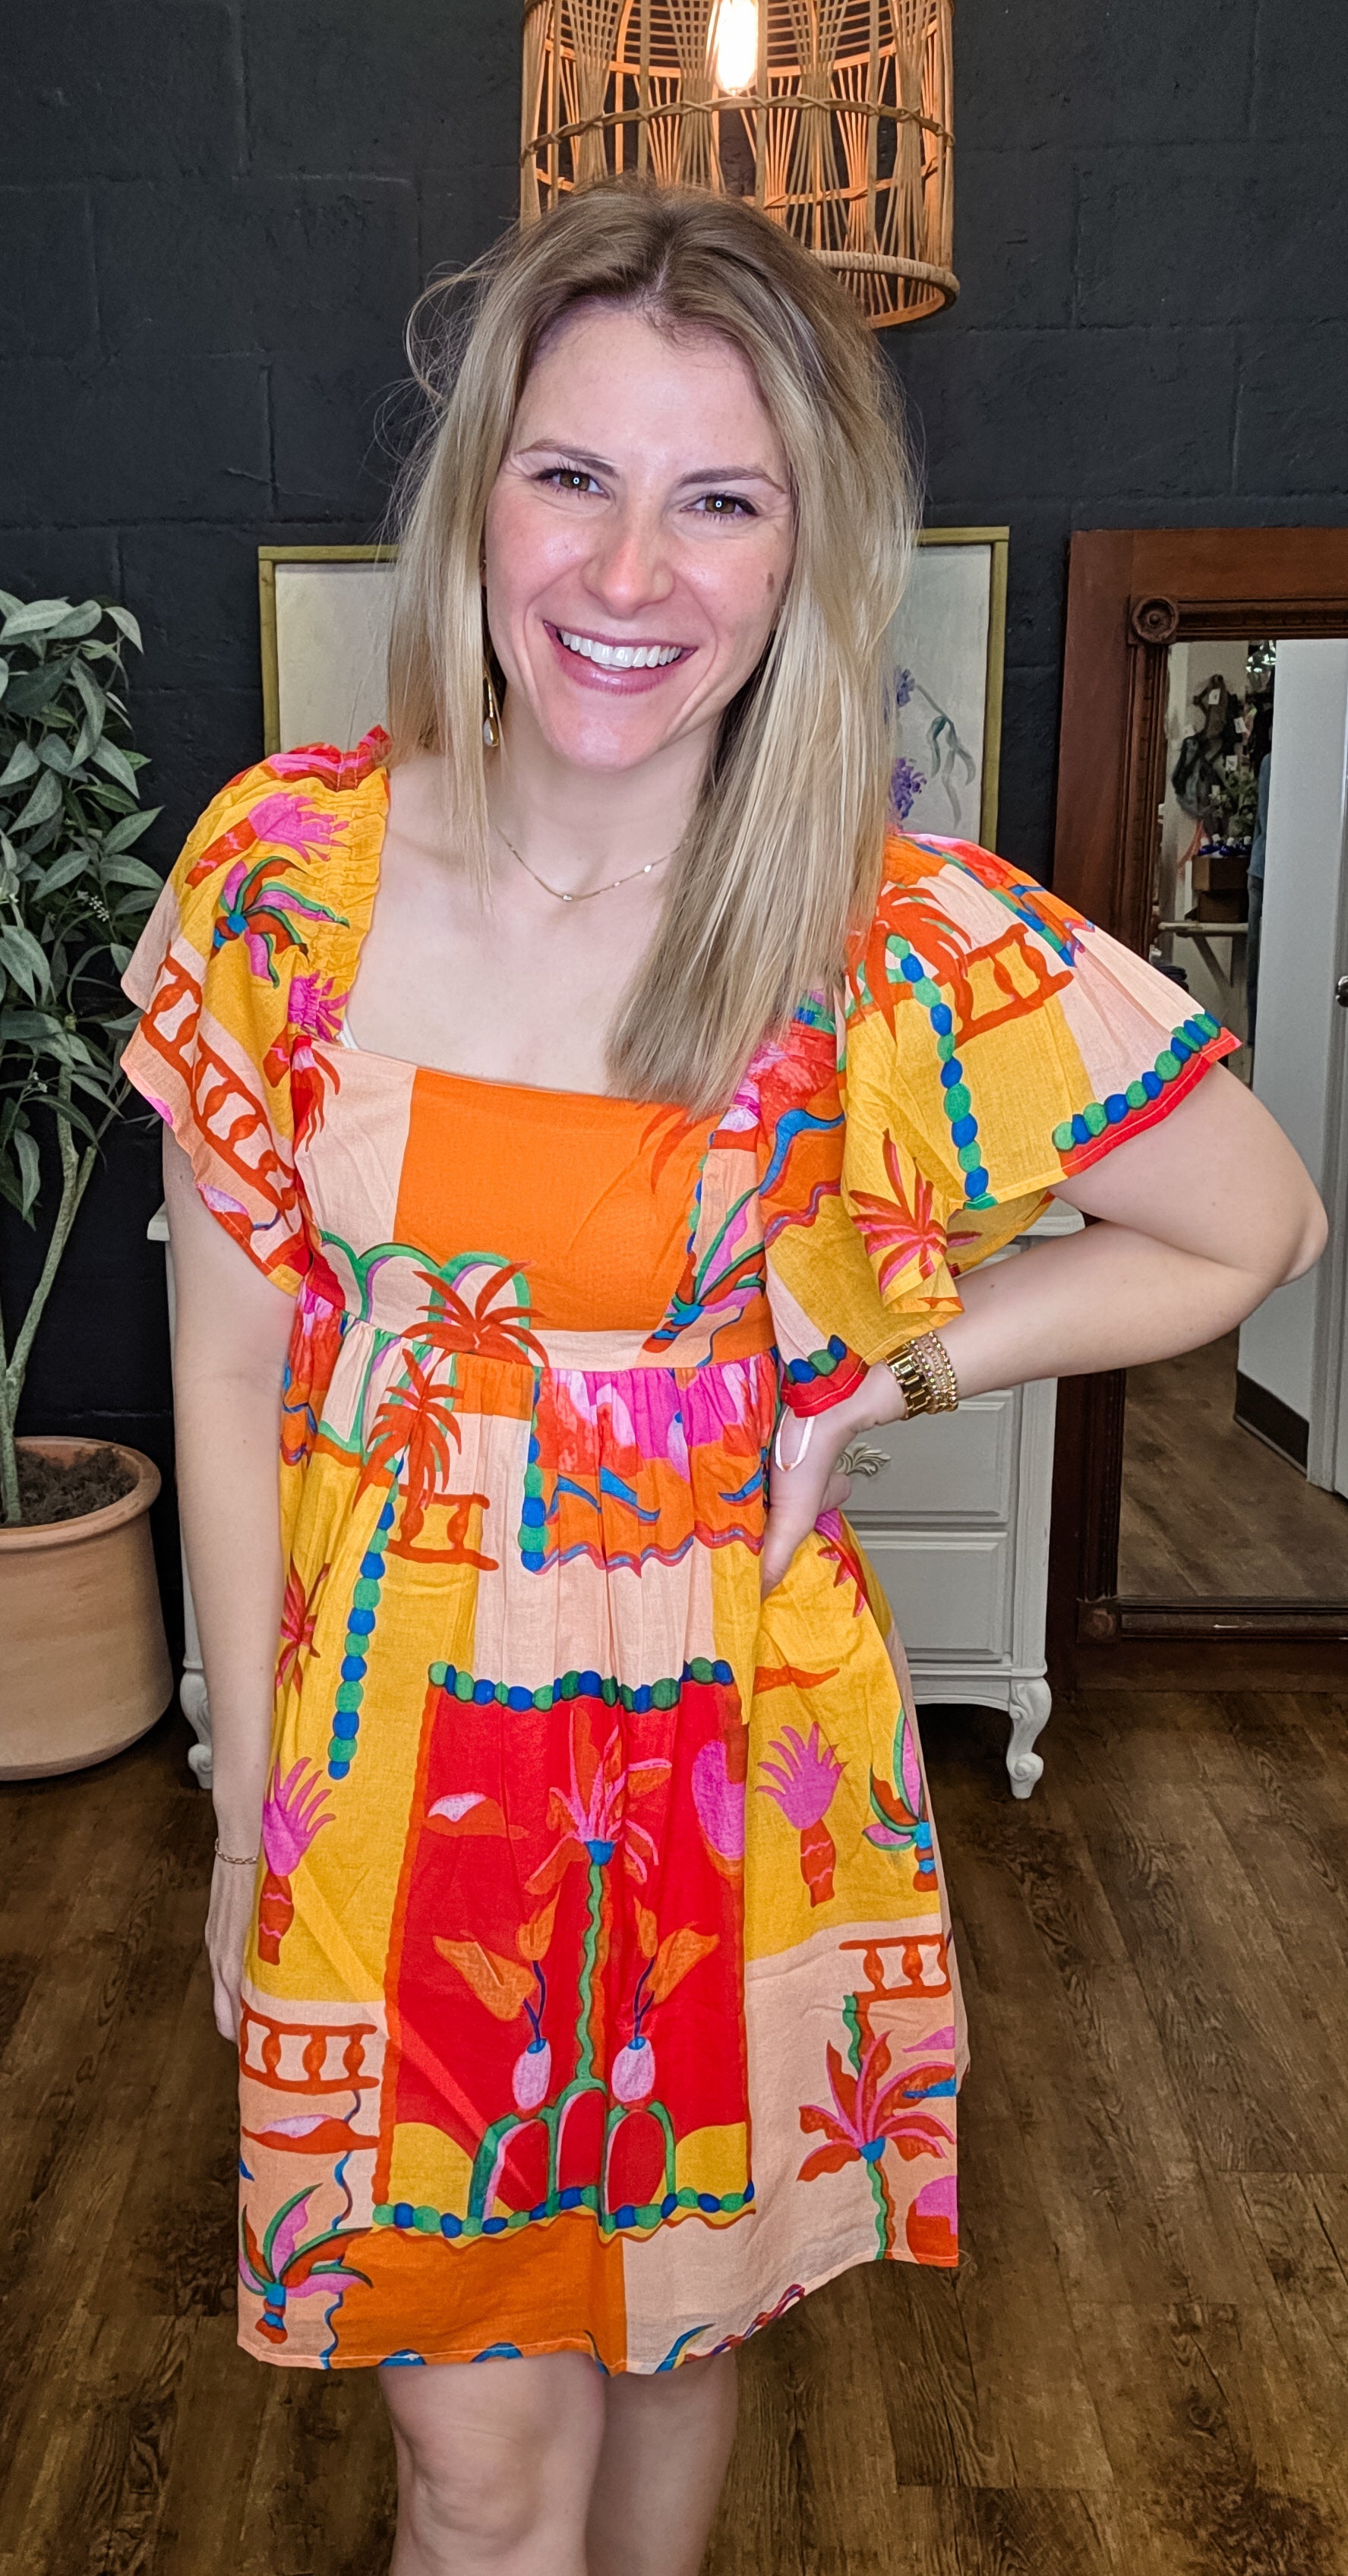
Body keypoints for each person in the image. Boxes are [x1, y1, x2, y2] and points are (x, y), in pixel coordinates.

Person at [121, 182, 1326, 2576]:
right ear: (476, 497)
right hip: (396, 1784)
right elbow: (232, 1371)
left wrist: (892, 1374)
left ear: (805, 557)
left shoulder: (879, 931)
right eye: (572, 476)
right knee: (476, 2470)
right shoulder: (284, 881)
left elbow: (1251, 1222)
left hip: (729, 1774)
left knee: (674, 2352)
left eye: (721, 501)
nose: (628, 571)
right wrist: (254, 1814)